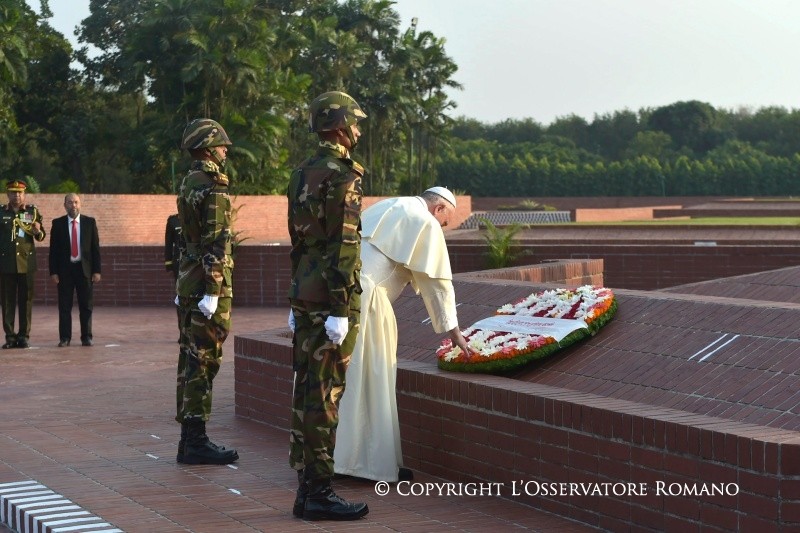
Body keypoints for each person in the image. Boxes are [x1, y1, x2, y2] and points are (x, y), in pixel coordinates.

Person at [333, 187, 473, 482]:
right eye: (445, 223)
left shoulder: (386, 206)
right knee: (369, 379)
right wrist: (455, 332)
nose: (442, 229)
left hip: (336, 294)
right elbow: (438, 284)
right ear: (439, 210)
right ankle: (362, 464)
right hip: (366, 303)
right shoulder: (424, 221)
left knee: (339, 378)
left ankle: (334, 458)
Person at [287, 91, 369, 521]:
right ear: (339, 125)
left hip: (305, 293)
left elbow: (298, 241)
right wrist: (340, 307)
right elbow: (346, 246)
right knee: (324, 395)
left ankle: (307, 488)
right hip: (330, 300)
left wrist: (299, 291)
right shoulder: (342, 175)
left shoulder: (300, 172)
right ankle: (318, 492)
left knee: (306, 390)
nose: (357, 130)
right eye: (354, 123)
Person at [174, 118, 238, 466]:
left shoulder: (188, 181)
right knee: (203, 359)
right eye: (222, 145)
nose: (226, 150)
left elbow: (185, 237)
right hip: (205, 280)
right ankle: (196, 441)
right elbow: (217, 239)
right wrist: (214, 288)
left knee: (188, 357)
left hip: (189, 277)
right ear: (208, 147)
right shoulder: (214, 184)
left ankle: (189, 438)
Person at [48, 193, 101, 347]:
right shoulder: (57, 224)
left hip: (84, 270)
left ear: (80, 204)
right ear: (65, 205)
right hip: (65, 271)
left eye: (76, 202)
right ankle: (65, 338)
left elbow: (95, 249)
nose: (73, 205)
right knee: (64, 307)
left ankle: (86, 337)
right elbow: (54, 250)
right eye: (70, 202)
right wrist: (53, 272)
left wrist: (97, 271)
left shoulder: (89, 223)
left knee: (86, 306)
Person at [0, 179, 45, 349]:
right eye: (13, 192)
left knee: (26, 300)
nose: (16, 195)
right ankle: (10, 337)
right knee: (7, 301)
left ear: (24, 194)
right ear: (8, 194)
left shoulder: (32, 212)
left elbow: (41, 236)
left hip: (26, 264)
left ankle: (24, 336)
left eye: (19, 193)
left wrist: (37, 231)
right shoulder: (1, 212)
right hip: (6, 264)